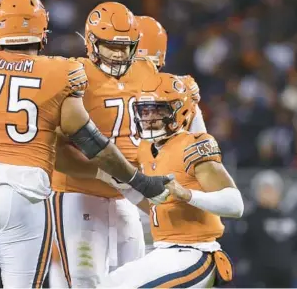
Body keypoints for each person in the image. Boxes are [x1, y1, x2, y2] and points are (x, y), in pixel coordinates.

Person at [0, 0, 173, 288]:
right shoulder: (60, 71)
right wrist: (137, 180)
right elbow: (92, 143)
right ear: (42, 34)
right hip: (25, 193)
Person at [49, 2, 158, 288]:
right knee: (87, 280)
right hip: (79, 193)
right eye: (112, 46)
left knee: (134, 280)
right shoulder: (74, 75)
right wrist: (101, 173)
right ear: (92, 42)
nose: (120, 54)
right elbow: (55, 151)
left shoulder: (147, 71)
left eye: (126, 47)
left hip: (126, 196)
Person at [99, 73, 244, 288]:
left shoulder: (193, 145)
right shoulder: (146, 149)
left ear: (179, 110)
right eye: (144, 111)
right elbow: (159, 206)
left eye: (158, 110)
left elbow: (236, 205)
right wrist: (123, 185)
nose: (149, 117)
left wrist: (187, 194)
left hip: (196, 252)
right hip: (163, 251)